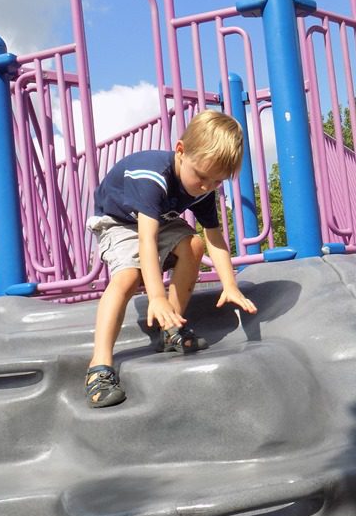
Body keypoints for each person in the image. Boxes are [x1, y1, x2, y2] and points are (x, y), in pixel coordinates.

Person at [84, 110, 258, 408]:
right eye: (201, 177)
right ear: (180, 150)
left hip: (159, 220)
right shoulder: (152, 176)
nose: (206, 187)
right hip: (118, 221)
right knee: (128, 276)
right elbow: (146, 240)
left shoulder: (205, 188)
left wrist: (230, 284)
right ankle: (99, 367)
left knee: (193, 244)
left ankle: (170, 329)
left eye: (217, 182)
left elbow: (214, 238)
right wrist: (156, 297)